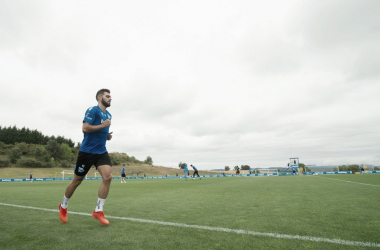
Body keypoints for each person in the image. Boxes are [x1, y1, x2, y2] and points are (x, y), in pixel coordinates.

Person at [58, 89, 113, 225]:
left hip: (101, 152)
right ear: (99, 97)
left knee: (108, 177)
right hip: (87, 152)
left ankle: (98, 211)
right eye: (107, 96)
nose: (110, 98)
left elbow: (100, 131)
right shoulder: (92, 110)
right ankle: (63, 206)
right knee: (77, 181)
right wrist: (103, 126)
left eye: (110, 96)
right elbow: (85, 128)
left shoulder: (109, 115)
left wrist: (107, 135)